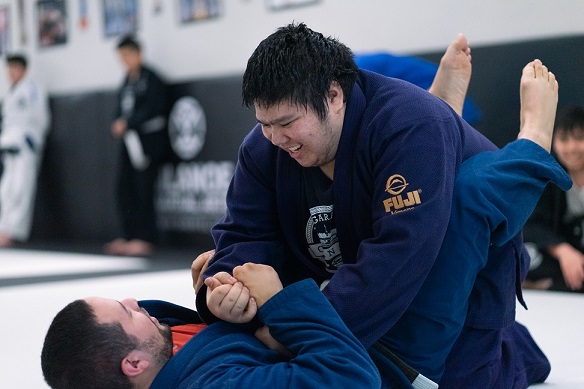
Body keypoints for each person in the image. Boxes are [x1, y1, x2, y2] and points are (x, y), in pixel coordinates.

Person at [194, 23, 569, 387]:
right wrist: (225, 290)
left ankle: (531, 141)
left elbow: (398, 257)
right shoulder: (263, 148)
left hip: (465, 235)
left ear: (334, 96)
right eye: (264, 124)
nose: (275, 138)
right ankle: (446, 115)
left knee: (435, 375)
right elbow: (243, 232)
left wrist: (299, 327)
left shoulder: (409, 126)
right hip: (382, 213)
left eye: (287, 123)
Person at [40, 262, 383, 388]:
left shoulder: (154, 346)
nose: (134, 302)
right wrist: (280, 305)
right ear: (133, 364)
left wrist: (211, 303)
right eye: (127, 313)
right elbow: (352, 378)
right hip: (387, 352)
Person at [104, 35, 170, 257]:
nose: (124, 61)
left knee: (144, 189)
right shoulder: (127, 81)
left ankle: (145, 237)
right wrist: (118, 122)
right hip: (129, 143)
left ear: (138, 54)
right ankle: (128, 235)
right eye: (121, 57)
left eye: (127, 56)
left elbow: (155, 108)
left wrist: (129, 123)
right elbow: (121, 107)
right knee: (124, 188)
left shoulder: (152, 79)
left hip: (148, 142)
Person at [523, 106, 584, 292]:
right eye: (564, 139)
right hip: (557, 253)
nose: (571, 147)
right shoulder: (548, 177)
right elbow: (531, 225)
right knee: (521, 258)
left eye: (579, 138)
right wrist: (562, 250)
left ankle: (553, 283)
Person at [0, 54, 50, 247]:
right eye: (9, 69)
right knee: (7, 190)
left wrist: (32, 141)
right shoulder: (10, 93)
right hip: (9, 145)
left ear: (23, 69)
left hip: (25, 146)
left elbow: (41, 118)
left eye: (15, 68)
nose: (11, 73)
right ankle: (4, 227)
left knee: (22, 188)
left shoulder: (32, 89)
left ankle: (15, 232)